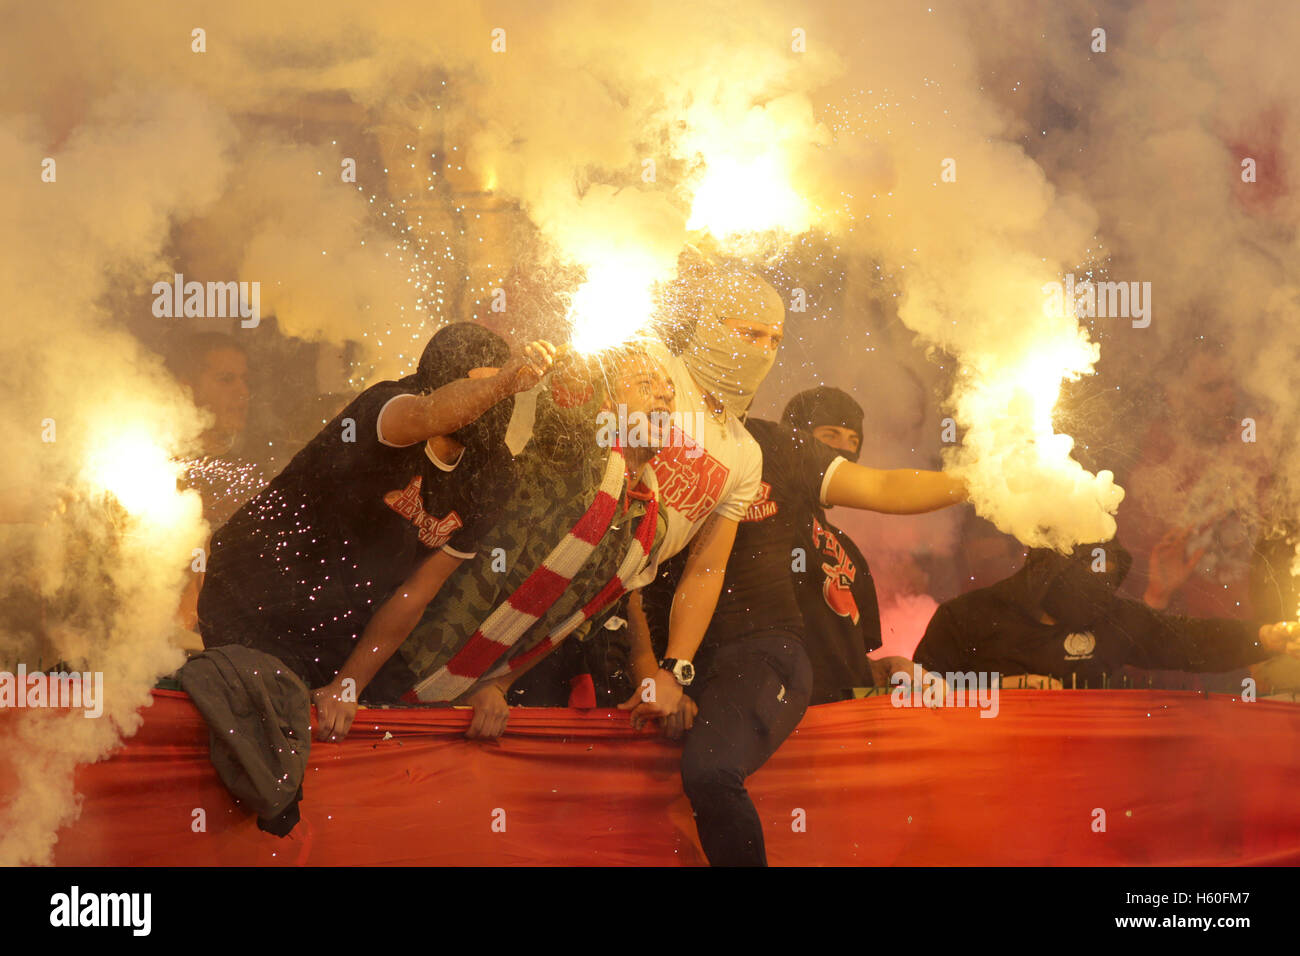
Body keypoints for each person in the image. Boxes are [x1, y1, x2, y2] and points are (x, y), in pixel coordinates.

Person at [631, 381, 966, 865]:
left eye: (853, 443)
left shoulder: (826, 526)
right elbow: (628, 578)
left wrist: (987, 482)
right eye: (830, 435)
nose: (841, 450)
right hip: (689, 670)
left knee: (716, 775)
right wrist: (658, 672)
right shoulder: (647, 445)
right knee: (706, 774)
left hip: (769, 676)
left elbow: (883, 486)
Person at [312, 344, 676, 740]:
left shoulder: (650, 529)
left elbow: (573, 621)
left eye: (670, 391)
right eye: (645, 384)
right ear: (605, 401)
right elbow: (567, 405)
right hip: (400, 656)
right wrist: (577, 358)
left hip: (473, 690)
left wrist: (496, 685)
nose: (664, 396)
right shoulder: (573, 454)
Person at [197, 323, 553, 712]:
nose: (498, 399)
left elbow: (416, 592)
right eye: (487, 385)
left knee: (389, 713)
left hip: (335, 627)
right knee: (262, 711)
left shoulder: (493, 473)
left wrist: (347, 686)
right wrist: (503, 381)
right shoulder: (389, 406)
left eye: (505, 389)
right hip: (253, 600)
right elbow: (428, 414)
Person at [913, 540, 1300, 686]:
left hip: (1080, 788)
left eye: (1108, 576)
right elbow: (915, 699)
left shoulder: (1113, 618)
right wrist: (999, 691)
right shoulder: (966, 617)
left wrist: (1263, 637)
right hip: (985, 785)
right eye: (1086, 572)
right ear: (1047, 569)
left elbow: (1190, 642)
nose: (1099, 589)